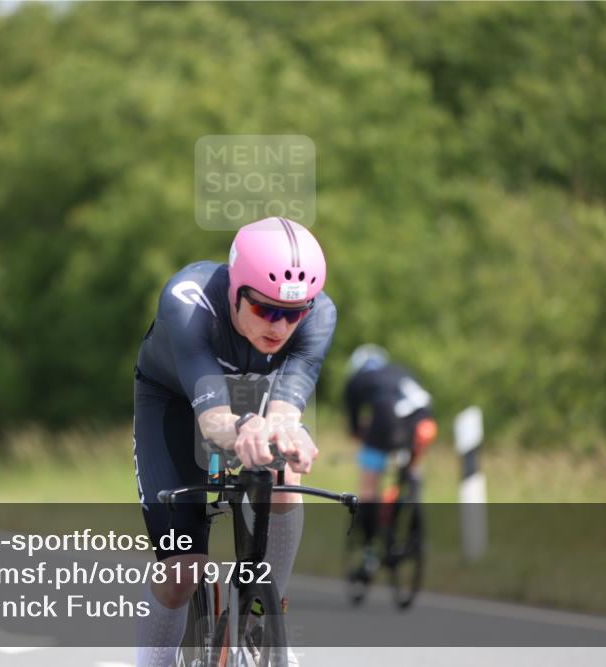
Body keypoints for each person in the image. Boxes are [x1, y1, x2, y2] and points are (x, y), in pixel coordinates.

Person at [133, 217, 336, 666]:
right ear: (235, 290)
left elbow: (285, 411)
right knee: (181, 573)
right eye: (266, 310)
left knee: (282, 471)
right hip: (177, 398)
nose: (281, 327)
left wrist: (288, 434)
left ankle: (266, 616)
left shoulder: (320, 315)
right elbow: (213, 420)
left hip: (248, 392)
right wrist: (244, 428)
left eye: (294, 312)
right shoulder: (189, 301)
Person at [344, 345, 437, 551]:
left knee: (369, 485)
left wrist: (364, 436)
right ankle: (407, 511)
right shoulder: (400, 370)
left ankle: (368, 542)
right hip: (425, 418)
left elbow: (354, 427)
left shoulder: (356, 380)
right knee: (409, 471)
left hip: (388, 419)